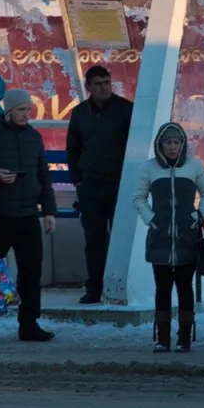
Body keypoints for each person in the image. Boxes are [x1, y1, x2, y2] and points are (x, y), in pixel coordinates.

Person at [0, 89, 57, 342]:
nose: (26, 114)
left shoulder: (34, 137)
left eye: (28, 109)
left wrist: (49, 211)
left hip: (28, 214)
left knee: (31, 272)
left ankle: (29, 324)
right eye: (21, 109)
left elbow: (43, 175)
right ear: (8, 111)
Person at [132, 122, 204, 353]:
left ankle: (184, 338)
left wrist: (198, 217)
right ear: (160, 144)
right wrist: (152, 219)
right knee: (162, 289)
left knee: (185, 288)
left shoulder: (194, 167)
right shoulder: (149, 169)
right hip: (159, 238)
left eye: (176, 142)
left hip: (187, 238)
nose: (172, 147)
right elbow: (138, 197)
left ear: (183, 144)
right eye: (168, 142)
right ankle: (162, 338)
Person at [66, 65, 134, 305]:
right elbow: (72, 150)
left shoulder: (126, 110)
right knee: (94, 240)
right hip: (91, 187)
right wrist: (78, 180)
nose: (104, 87)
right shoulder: (80, 113)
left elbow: (133, 148)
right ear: (88, 87)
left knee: (122, 239)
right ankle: (94, 288)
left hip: (119, 186)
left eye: (107, 82)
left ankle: (123, 287)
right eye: (98, 83)